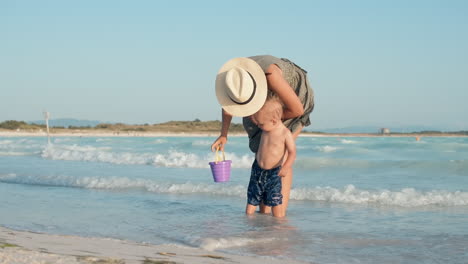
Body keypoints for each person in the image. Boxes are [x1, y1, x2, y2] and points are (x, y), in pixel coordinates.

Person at [211, 55, 314, 216]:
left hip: (292, 97)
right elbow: (228, 105)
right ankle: (263, 214)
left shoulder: (271, 76)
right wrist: (223, 134)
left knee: (279, 148)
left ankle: (279, 216)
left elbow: (297, 110)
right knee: (262, 147)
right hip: (262, 98)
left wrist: (270, 122)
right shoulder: (233, 81)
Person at [246, 97, 296, 217]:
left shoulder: (285, 133)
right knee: (252, 195)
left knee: (275, 198)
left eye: (261, 124)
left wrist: (286, 166)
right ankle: (248, 219)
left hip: (274, 172)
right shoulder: (266, 127)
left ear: (274, 121)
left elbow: (292, 152)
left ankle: (278, 222)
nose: (258, 125)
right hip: (257, 169)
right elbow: (256, 118)